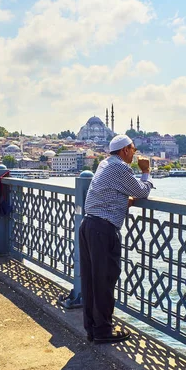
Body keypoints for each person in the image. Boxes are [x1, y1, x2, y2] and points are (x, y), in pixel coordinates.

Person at [79, 134, 153, 344]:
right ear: (124, 150)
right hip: (103, 229)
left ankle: (92, 328)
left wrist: (122, 200)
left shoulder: (104, 164)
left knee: (91, 280)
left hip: (89, 225)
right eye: (133, 149)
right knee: (104, 279)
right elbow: (141, 191)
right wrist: (146, 172)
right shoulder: (120, 167)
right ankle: (103, 331)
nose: (134, 153)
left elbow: (110, 191)